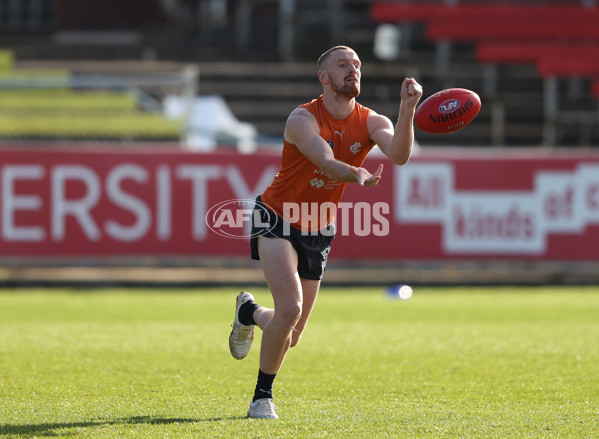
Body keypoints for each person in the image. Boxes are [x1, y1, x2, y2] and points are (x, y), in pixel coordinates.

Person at [229, 45, 423, 419]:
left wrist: (408, 108)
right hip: (276, 217)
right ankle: (261, 398)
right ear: (323, 77)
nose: (352, 69)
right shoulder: (302, 118)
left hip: (319, 226)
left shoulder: (370, 120)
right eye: (342, 65)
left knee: (292, 332)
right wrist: (357, 173)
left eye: (356, 65)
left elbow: (398, 154)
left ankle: (249, 312)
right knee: (291, 307)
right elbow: (326, 161)